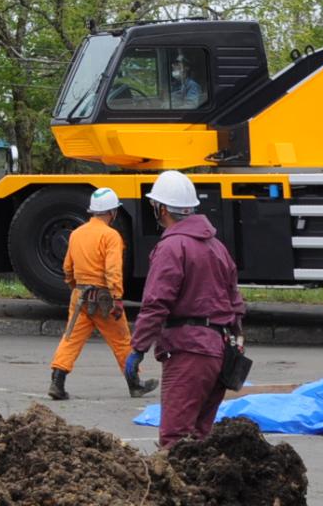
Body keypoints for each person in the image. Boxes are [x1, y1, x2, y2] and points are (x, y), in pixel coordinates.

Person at [126, 169, 247, 447]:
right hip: (220, 352)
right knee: (201, 438)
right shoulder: (216, 246)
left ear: (162, 209)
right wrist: (236, 340)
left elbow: (156, 303)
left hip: (188, 351)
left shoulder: (172, 247)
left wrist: (138, 348)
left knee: (175, 439)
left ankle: (175, 491)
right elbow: (235, 301)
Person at [47, 187, 158, 402]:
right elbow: (113, 270)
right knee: (121, 341)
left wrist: (74, 288)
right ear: (112, 212)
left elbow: (68, 268)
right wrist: (116, 298)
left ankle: (57, 382)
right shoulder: (111, 236)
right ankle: (134, 384)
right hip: (104, 299)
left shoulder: (77, 233)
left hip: (79, 296)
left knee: (70, 338)